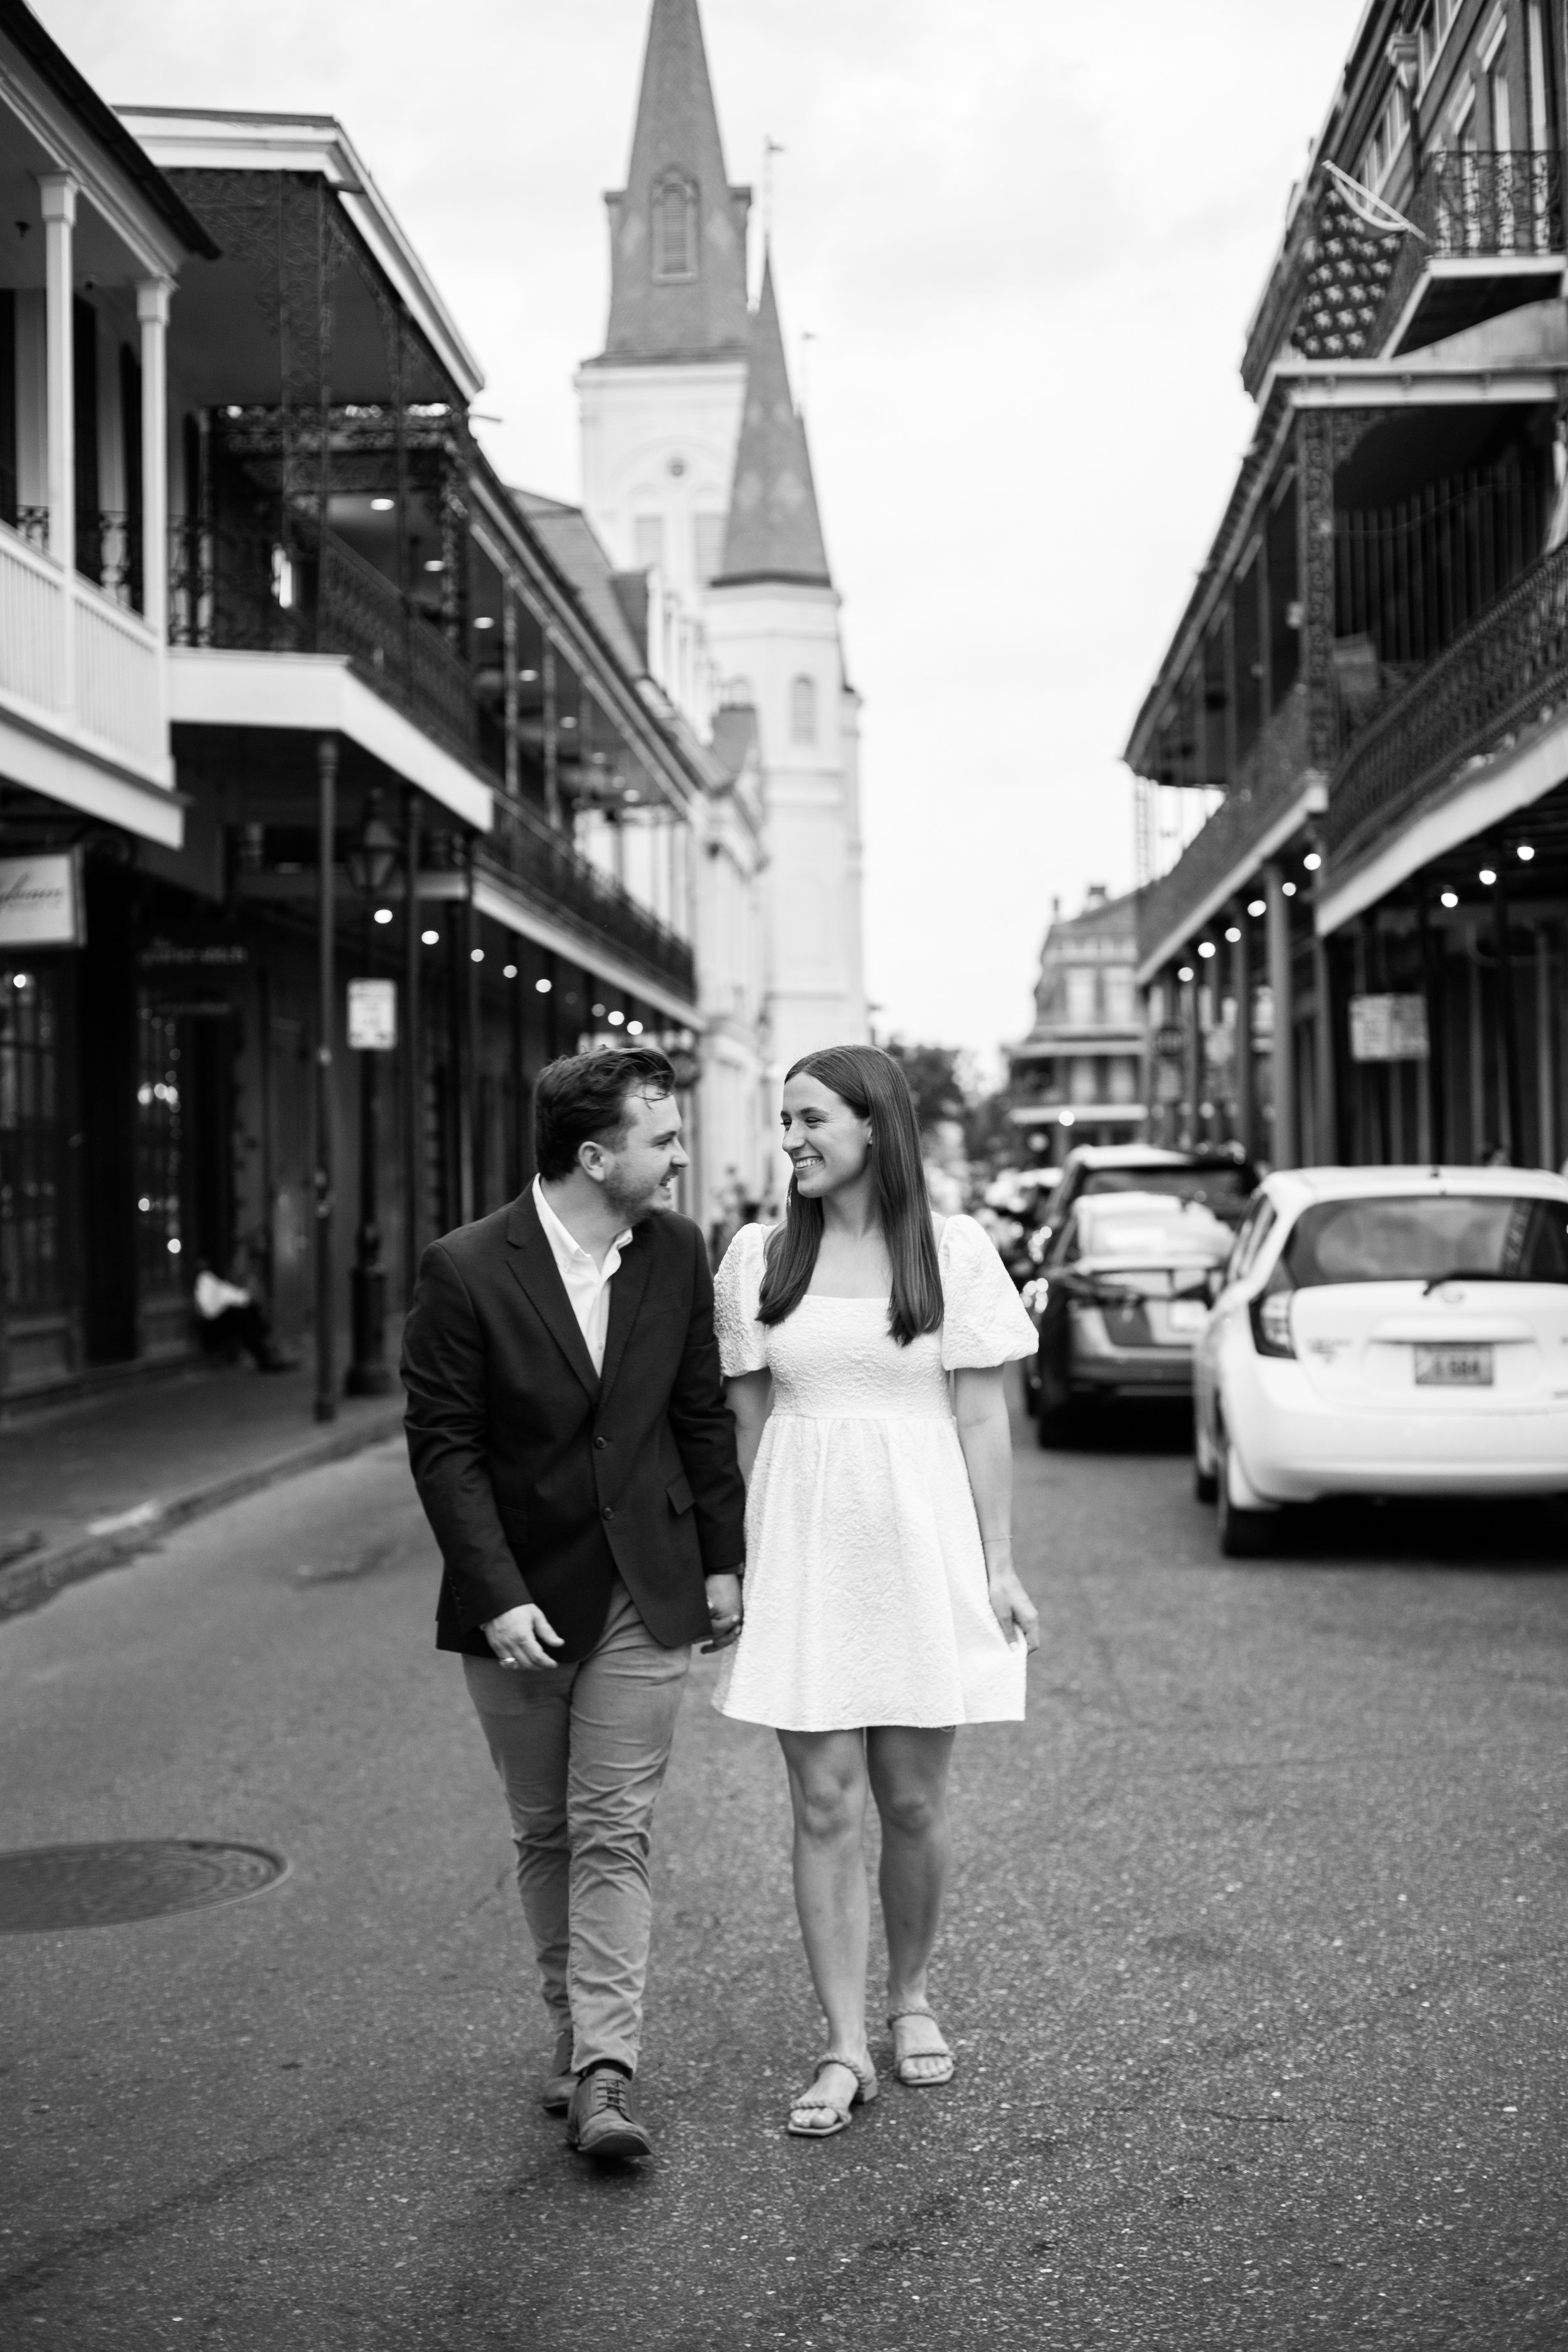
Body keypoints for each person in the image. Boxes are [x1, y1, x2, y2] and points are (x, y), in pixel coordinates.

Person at [401, 1046, 746, 2164]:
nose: (682, 1154)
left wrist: (725, 1561)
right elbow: (445, 1450)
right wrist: (496, 1595)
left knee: (613, 1827)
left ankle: (606, 2067)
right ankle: (570, 2029)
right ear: (596, 1157)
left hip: (647, 1587)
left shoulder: (679, 1252)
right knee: (543, 1825)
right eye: (664, 1137)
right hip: (519, 1601)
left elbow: (701, 1415)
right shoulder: (464, 1269)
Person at [711, 1043, 1040, 2139]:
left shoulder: (952, 1252)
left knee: (909, 1799)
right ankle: (844, 2041)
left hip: (920, 1540)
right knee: (822, 1801)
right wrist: (741, 1562)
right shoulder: (758, 1255)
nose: (793, 1138)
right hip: (803, 1543)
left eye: (811, 1118)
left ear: (873, 1125)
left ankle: (912, 1997)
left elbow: (983, 1415)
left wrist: (998, 1563)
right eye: (787, 1120)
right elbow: (748, 1423)